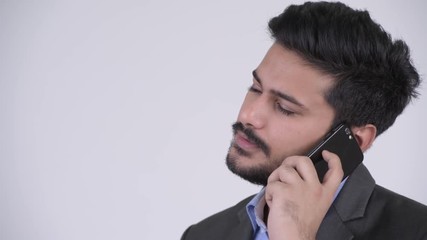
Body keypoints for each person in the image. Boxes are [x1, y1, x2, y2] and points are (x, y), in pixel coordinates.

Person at [181, 2, 427, 239]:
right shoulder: (203, 234)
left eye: (285, 108)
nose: (248, 116)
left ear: (356, 140)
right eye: (255, 88)